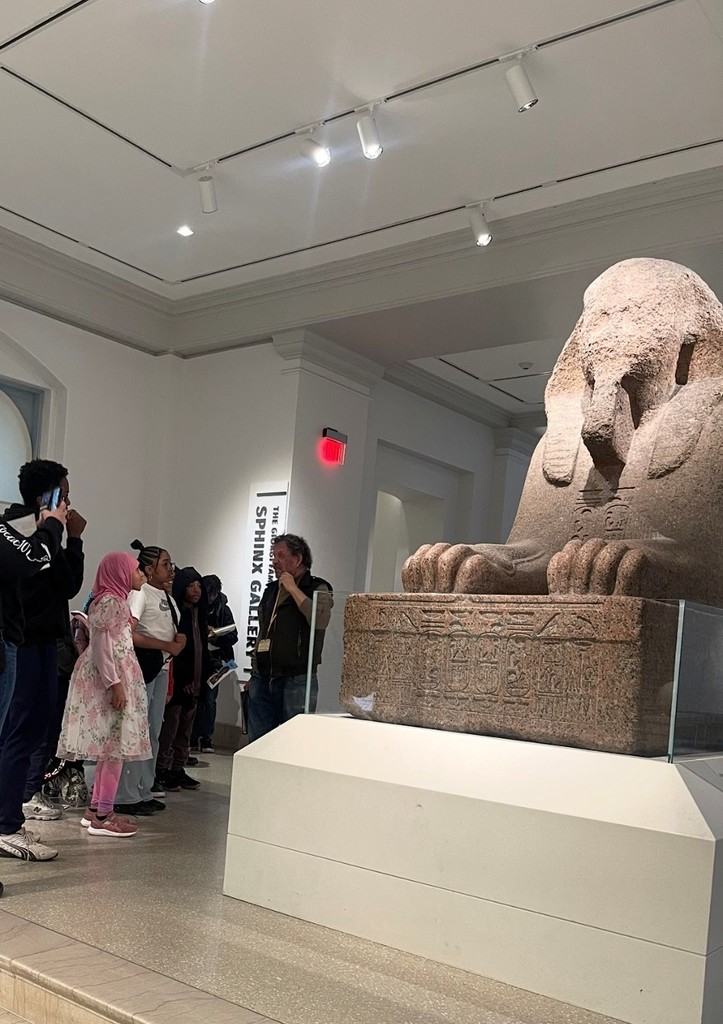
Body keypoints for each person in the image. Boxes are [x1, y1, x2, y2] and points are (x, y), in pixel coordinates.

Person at [0, 461, 85, 862]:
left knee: (37, 731)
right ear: (46, 497)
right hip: (20, 644)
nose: (68, 501)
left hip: (46, 644)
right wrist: (50, 527)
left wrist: (75, 539)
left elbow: (67, 584)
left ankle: (12, 816)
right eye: (63, 494)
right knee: (17, 732)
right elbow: (31, 567)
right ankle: (4, 824)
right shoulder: (17, 528)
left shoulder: (50, 533)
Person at [57, 552, 151, 838]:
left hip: (112, 678)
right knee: (115, 747)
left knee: (110, 747)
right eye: (136, 571)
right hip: (110, 680)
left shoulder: (113, 600)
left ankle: (96, 808)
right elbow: (101, 645)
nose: (142, 575)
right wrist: (115, 683)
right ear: (120, 572)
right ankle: (103, 815)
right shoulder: (111, 602)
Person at [113, 541, 185, 816]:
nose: (171, 569)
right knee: (136, 730)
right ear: (149, 568)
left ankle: (144, 787)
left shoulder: (166, 596)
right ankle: (126, 793)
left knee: (153, 731)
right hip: (143, 668)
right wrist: (166, 646)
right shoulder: (140, 594)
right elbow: (129, 634)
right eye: (165, 564)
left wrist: (178, 641)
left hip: (162, 669)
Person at [247, 534, 332, 743]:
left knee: (293, 741)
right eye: (273, 556)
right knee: (258, 742)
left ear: (298, 559)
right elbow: (263, 632)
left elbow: (320, 620)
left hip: (297, 678)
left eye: (281, 556)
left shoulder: (318, 588)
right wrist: (255, 670)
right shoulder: (270, 590)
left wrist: (293, 588)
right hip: (263, 677)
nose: (274, 561)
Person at [156, 567, 211, 792]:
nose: (196, 590)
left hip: (197, 682)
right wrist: (184, 678)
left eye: (199, 585)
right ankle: (163, 769)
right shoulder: (178, 613)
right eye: (190, 585)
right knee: (171, 726)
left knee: (186, 728)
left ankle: (178, 768)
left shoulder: (200, 613)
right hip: (179, 682)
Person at [191, 574, 237, 754]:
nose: (209, 598)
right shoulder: (196, 606)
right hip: (197, 657)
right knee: (194, 698)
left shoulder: (224, 610)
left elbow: (233, 636)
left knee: (210, 700)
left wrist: (216, 637)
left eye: (212, 594)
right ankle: (193, 738)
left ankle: (207, 739)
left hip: (216, 660)